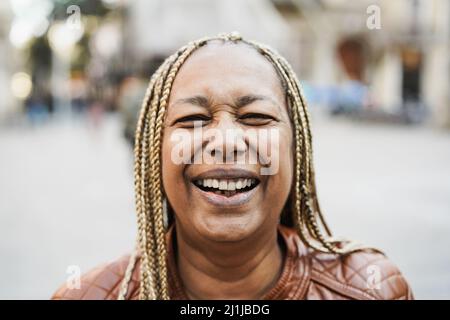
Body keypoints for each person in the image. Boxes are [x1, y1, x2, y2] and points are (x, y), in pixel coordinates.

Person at [52, 33, 414, 300]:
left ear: (296, 148)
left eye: (256, 117)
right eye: (193, 118)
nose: (226, 142)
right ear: (153, 153)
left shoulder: (371, 289)